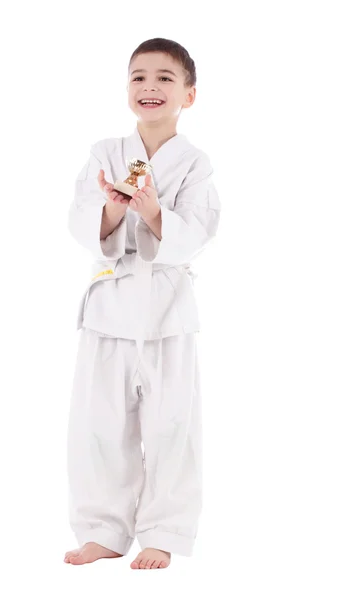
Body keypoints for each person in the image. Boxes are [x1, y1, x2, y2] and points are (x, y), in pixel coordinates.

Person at [64, 37, 221, 570]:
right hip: (109, 305)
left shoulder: (195, 164)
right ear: (127, 88)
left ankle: (164, 530)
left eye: (164, 78)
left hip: (167, 310)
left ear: (189, 95)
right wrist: (111, 213)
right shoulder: (105, 153)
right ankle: (104, 528)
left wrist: (154, 213)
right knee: (98, 423)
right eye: (139, 77)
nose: (150, 87)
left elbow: (197, 232)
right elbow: (81, 219)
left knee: (171, 424)